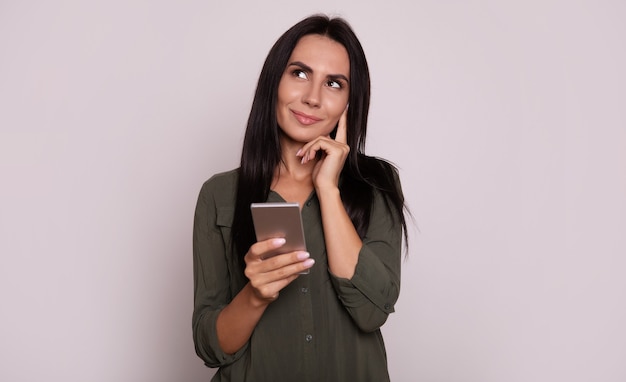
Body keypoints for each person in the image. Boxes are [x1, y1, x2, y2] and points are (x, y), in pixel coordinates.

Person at [192, 14, 409, 382]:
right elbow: (210, 345)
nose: (312, 97)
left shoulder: (378, 184)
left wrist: (328, 190)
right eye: (300, 73)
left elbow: (372, 312)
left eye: (334, 83)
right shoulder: (219, 194)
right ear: (274, 81)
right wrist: (256, 295)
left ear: (349, 104)